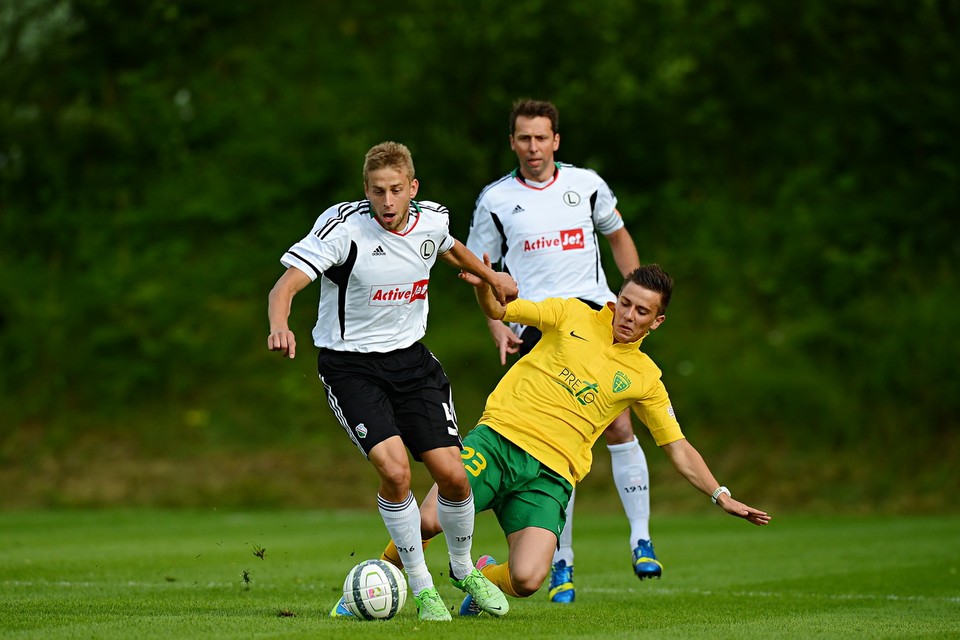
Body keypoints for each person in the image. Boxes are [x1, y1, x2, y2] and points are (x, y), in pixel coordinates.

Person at [376, 261, 771, 615]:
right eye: (626, 303)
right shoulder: (571, 312)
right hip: (498, 442)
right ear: (617, 299)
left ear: (657, 321)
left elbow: (677, 447)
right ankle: (373, 586)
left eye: (643, 311)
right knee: (427, 520)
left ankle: (483, 577)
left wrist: (721, 495)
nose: (629, 315)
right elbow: (500, 309)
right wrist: (485, 285)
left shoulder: (646, 378)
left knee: (528, 580)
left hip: (550, 477)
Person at [266, 142, 516, 621]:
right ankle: (422, 586)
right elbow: (286, 285)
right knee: (397, 471)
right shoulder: (343, 229)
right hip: (351, 367)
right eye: (377, 191)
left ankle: (463, 570)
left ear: (412, 189)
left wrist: (489, 275)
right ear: (366, 190)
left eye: (396, 191)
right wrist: (280, 323)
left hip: (413, 365)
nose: (386, 201)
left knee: (454, 476)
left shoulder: (432, 220)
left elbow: (447, 246)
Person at [465, 98, 655, 603]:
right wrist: (495, 328)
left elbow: (617, 236)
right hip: (535, 322)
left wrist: (629, 295)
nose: (533, 147)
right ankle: (561, 560)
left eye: (541, 137)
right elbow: (481, 271)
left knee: (616, 420)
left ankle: (641, 536)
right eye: (523, 138)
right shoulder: (496, 199)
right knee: (553, 436)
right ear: (512, 143)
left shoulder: (586, 184)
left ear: (556, 141)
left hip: (592, 315)